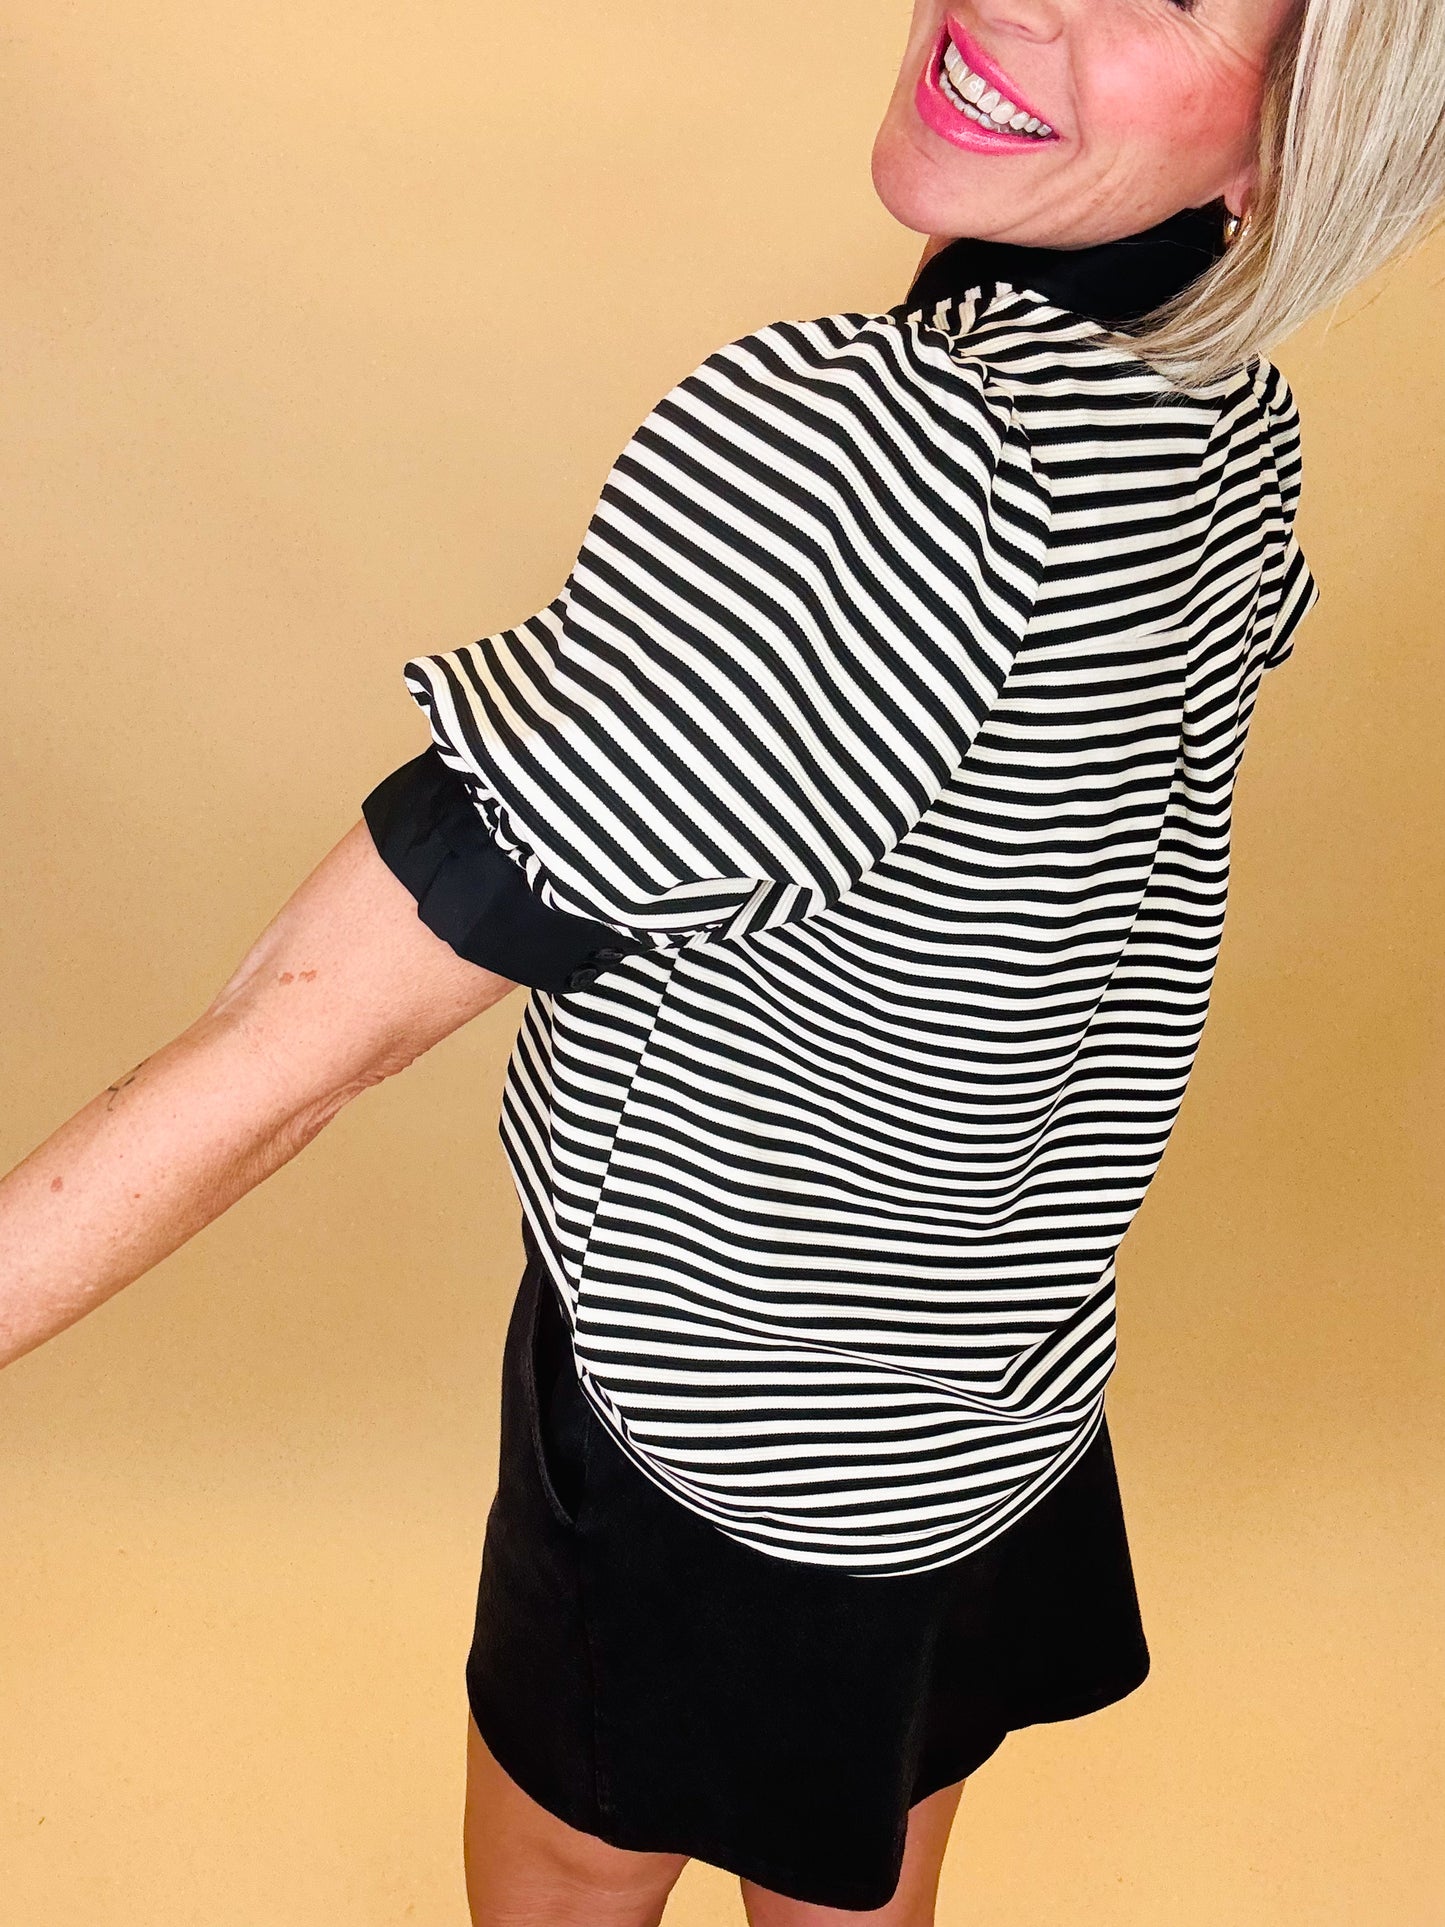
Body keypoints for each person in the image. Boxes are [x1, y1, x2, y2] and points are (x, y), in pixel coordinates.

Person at [4, 0, 1444, 1922]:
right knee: (863, 1854)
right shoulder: (1224, 418)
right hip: (996, 1390)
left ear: (1287, 140)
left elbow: (293, 1043)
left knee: (562, 1871)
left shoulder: (868, 457)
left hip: (719, 1420)